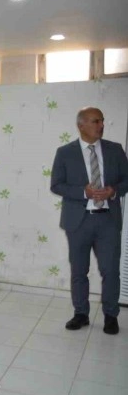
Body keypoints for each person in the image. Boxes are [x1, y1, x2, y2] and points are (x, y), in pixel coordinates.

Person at [50, 107, 128, 335]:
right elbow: (56, 185)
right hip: (78, 222)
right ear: (81, 125)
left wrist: (113, 191)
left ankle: (111, 316)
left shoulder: (115, 150)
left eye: (102, 121)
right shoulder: (65, 152)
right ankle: (81, 314)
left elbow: (127, 179)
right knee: (79, 271)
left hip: (108, 221)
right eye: (95, 121)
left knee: (110, 271)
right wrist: (83, 192)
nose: (101, 125)